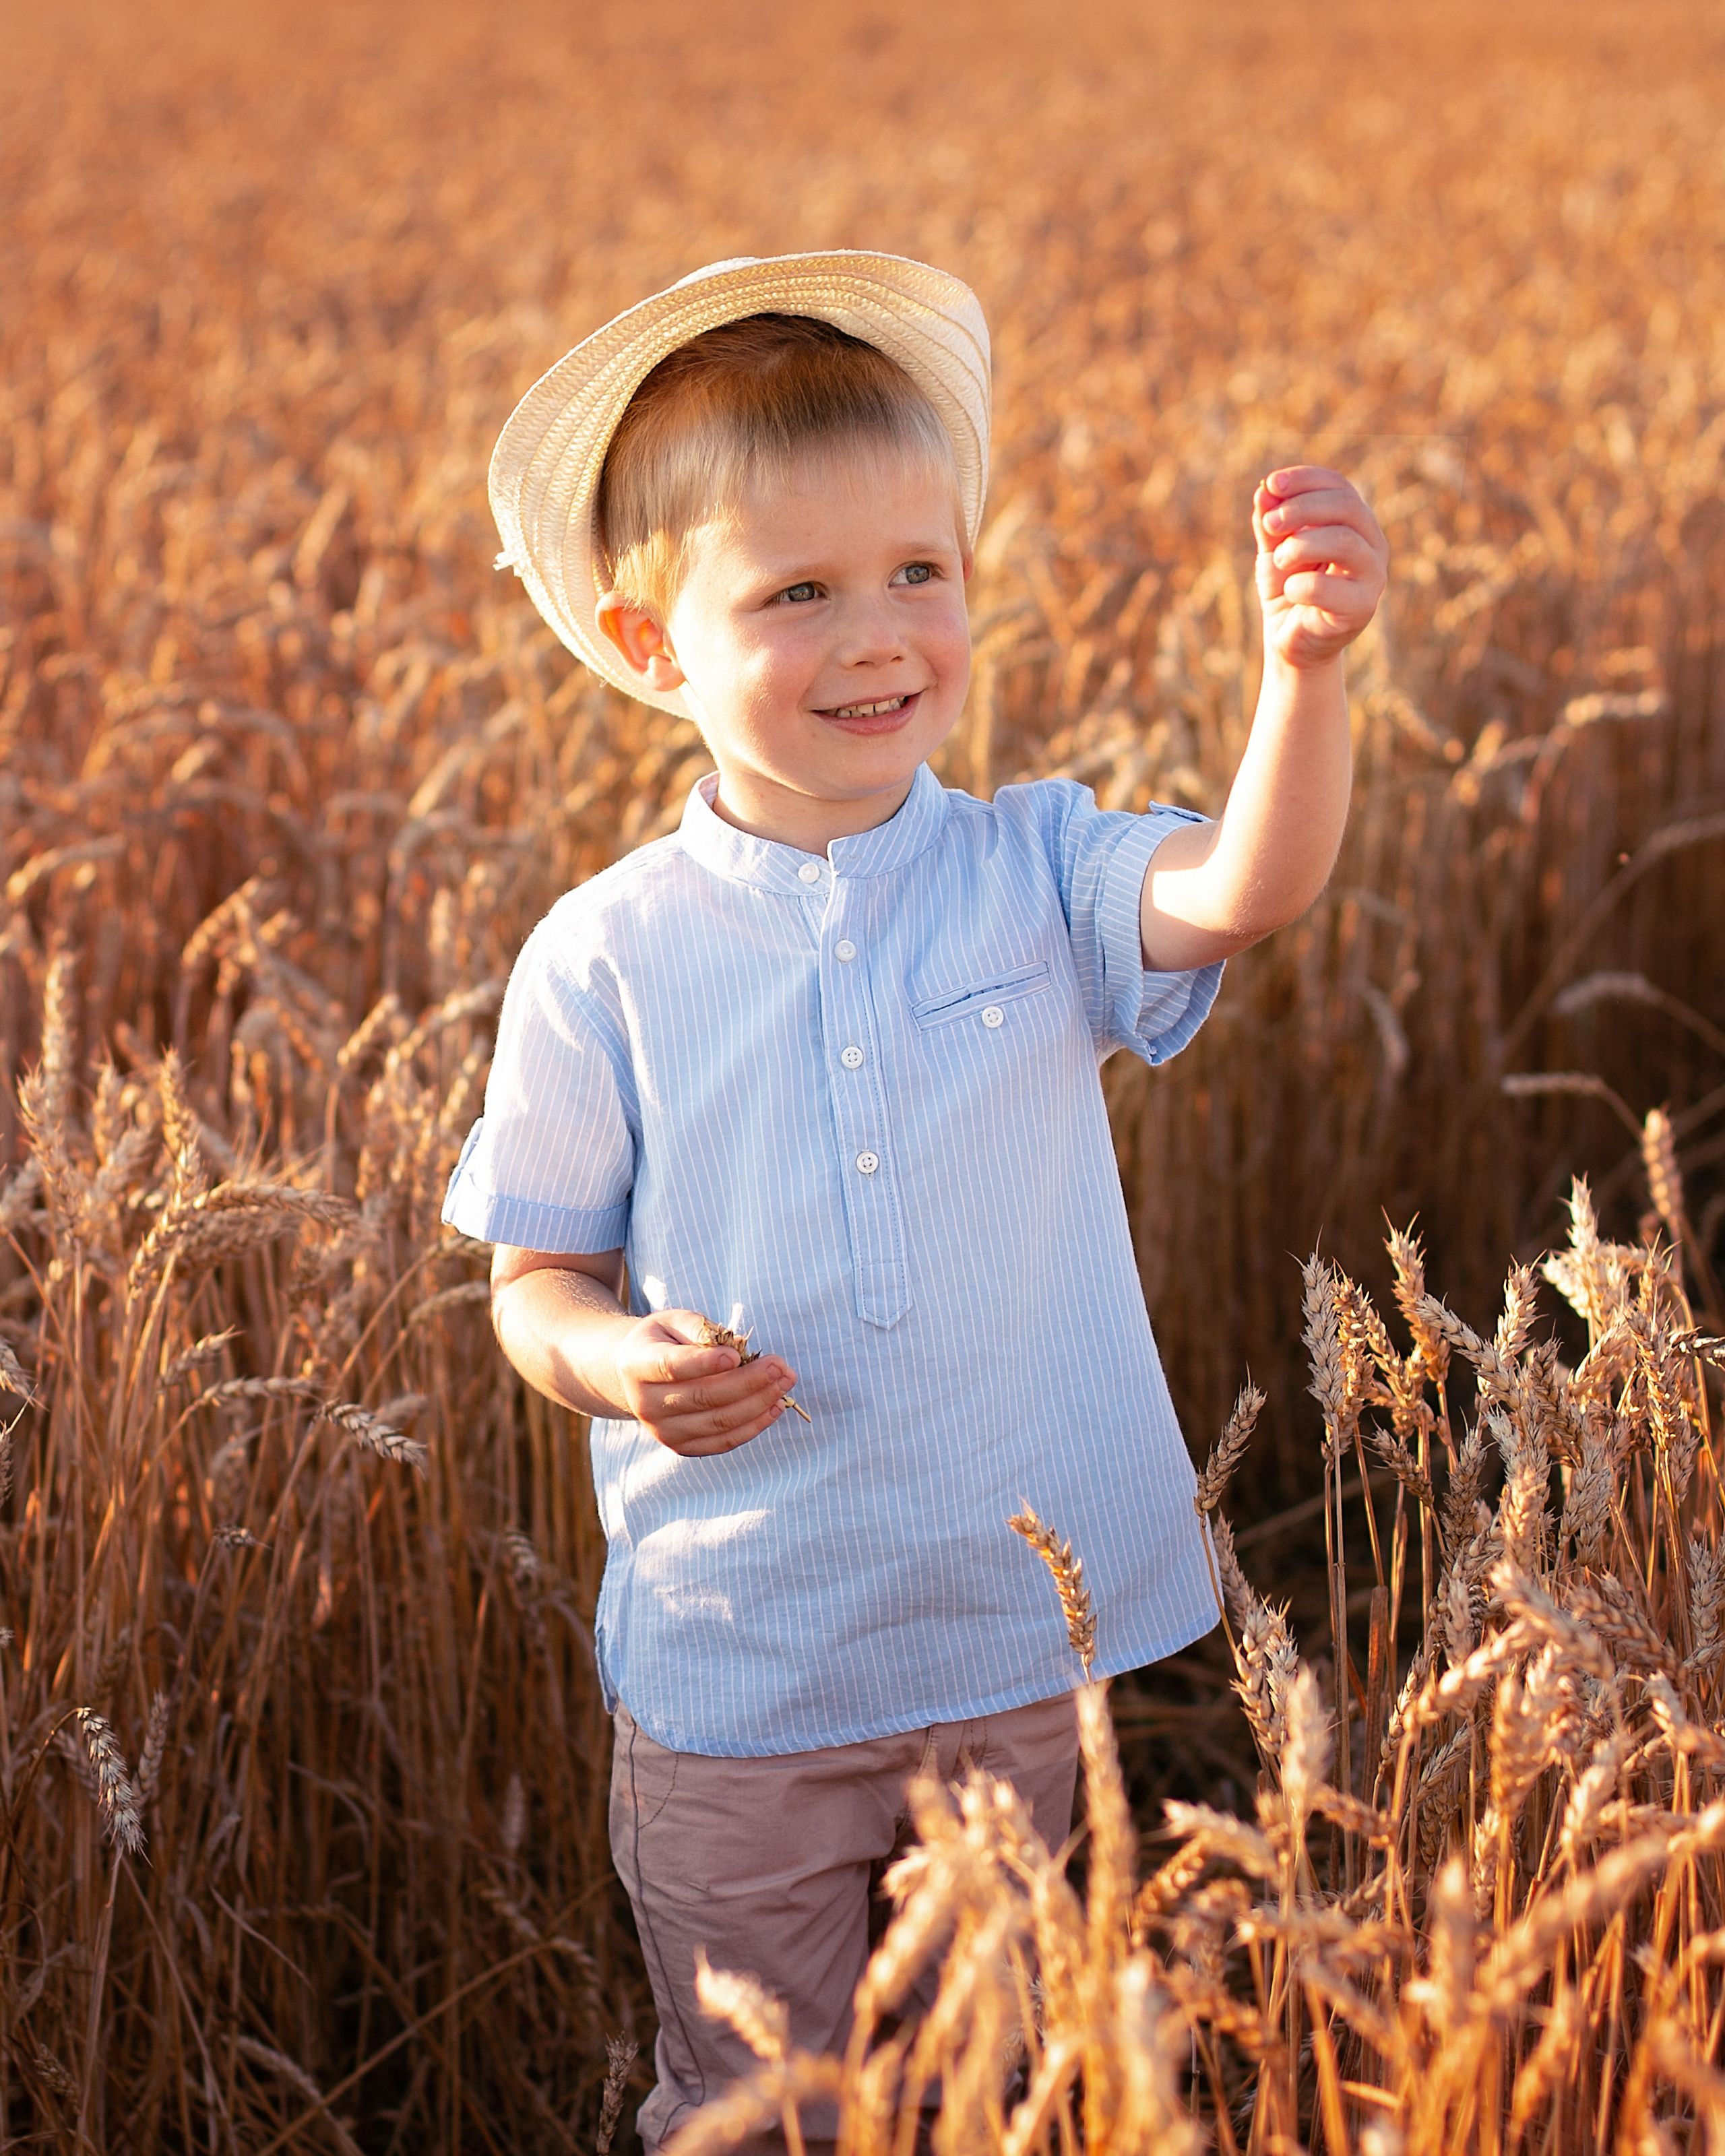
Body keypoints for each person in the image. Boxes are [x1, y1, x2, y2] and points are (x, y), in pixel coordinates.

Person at [443, 251, 1387, 2150]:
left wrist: (1305, 675)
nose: (880, 634)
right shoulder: (606, 955)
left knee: (1000, 2087)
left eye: (918, 575)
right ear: (651, 646)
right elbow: (530, 1277)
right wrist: (616, 1362)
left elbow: (1243, 891)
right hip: (744, 1660)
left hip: (1004, 1645)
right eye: (798, 592)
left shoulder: (1037, 865)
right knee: (754, 2105)